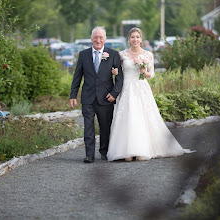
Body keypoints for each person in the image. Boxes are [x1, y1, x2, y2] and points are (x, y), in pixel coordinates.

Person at [107, 27, 193, 162]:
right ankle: (126, 151)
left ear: (141, 39)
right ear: (129, 40)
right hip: (127, 89)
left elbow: (151, 75)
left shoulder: (147, 55)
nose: (135, 39)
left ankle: (141, 149)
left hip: (141, 88)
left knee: (141, 118)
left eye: (137, 37)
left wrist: (144, 72)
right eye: (132, 37)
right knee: (127, 118)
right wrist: (115, 73)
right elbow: (119, 71)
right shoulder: (122, 54)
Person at [70, 26, 123, 163]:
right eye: (95, 37)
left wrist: (114, 93)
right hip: (88, 97)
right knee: (88, 127)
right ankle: (89, 155)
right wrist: (73, 95)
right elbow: (77, 76)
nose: (98, 40)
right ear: (91, 39)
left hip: (106, 97)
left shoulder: (113, 54)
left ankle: (104, 152)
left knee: (105, 127)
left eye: (101, 37)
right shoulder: (83, 55)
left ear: (105, 39)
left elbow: (119, 77)